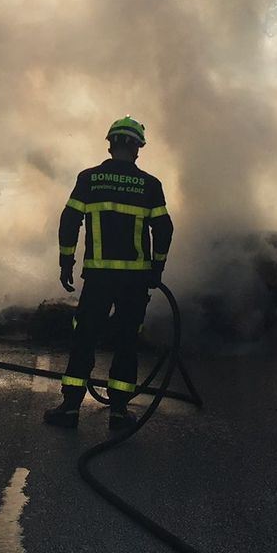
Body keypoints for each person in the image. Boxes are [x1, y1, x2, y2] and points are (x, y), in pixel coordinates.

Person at [45, 116, 173, 429]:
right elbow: (164, 229)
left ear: (110, 143)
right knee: (127, 341)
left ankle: (70, 409)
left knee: (85, 336)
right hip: (135, 279)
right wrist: (156, 268)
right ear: (138, 149)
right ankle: (118, 412)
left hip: (98, 278)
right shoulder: (150, 185)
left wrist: (66, 262)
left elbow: (69, 220)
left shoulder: (89, 179)